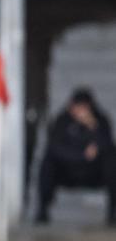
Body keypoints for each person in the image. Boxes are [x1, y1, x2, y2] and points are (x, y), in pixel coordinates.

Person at [36, 88, 116, 226]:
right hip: (67, 170)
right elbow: (55, 148)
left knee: (111, 161)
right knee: (48, 163)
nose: (80, 111)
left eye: (84, 107)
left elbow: (107, 144)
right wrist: (82, 155)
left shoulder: (100, 121)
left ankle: (112, 212)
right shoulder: (62, 120)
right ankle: (42, 210)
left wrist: (93, 126)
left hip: (93, 172)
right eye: (78, 107)